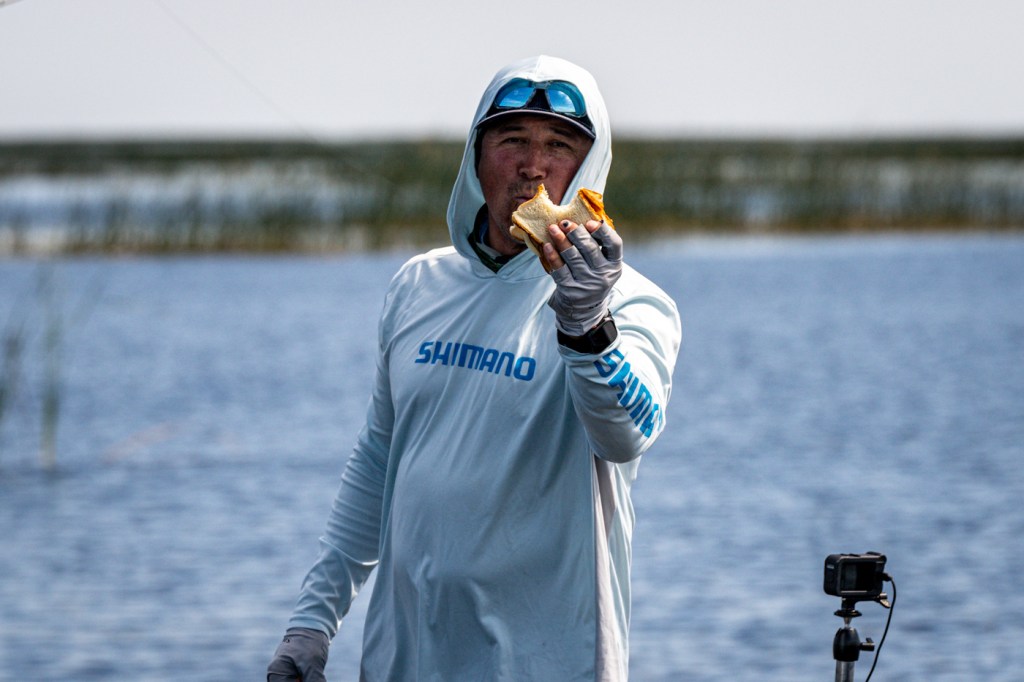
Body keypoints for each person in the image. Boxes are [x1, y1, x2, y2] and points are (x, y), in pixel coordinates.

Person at [267, 55, 681, 681]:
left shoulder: (630, 302)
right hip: (402, 660)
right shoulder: (418, 284)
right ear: (476, 156)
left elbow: (626, 436)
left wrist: (586, 326)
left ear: (589, 167)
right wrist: (310, 626)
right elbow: (377, 462)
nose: (533, 166)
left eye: (559, 145)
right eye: (512, 140)